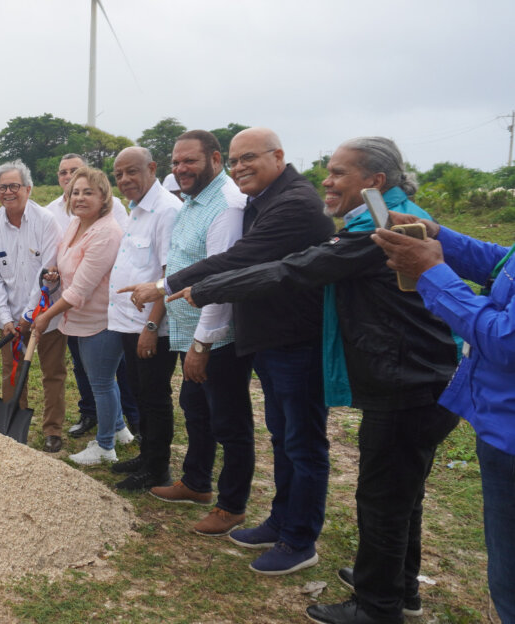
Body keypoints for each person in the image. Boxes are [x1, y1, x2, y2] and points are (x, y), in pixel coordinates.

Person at [172, 137, 459, 624]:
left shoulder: (382, 229)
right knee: (399, 494)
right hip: (416, 375)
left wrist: (201, 289)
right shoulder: (387, 217)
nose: (325, 181)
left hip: (406, 378)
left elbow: (293, 270)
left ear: (375, 182)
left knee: (383, 497)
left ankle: (377, 605)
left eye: (339, 173)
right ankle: (397, 586)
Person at [155, 128, 337, 575]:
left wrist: (168, 287)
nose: (240, 168)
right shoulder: (264, 199)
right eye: (236, 161)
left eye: (247, 158)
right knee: (283, 438)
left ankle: (299, 540)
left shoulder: (293, 203)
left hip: (297, 341)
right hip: (272, 341)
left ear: (278, 155)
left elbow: (240, 258)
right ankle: (280, 520)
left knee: (303, 443)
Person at [373, 213, 515, 622]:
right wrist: (438, 236)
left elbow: (504, 340)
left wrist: (432, 273)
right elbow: (502, 265)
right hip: (500, 424)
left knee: (509, 583)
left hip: (509, 436)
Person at [124, 130, 254, 538]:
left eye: (190, 162)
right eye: (177, 162)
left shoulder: (227, 207)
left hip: (216, 338)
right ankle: (196, 482)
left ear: (215, 158)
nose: (181, 169)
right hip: (186, 331)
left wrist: (203, 344)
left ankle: (231, 506)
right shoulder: (195, 201)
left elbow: (221, 278)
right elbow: (183, 263)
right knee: (195, 408)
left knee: (230, 422)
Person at [32, 167, 135, 464]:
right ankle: (118, 430)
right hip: (80, 320)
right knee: (102, 380)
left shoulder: (105, 232)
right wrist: (54, 275)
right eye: (75, 192)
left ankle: (104, 447)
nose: (79, 198)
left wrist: (45, 316)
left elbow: (80, 291)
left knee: (101, 384)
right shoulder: (77, 225)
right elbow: (69, 268)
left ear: (104, 197)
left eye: (88, 192)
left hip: (99, 322)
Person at [105, 147, 180, 491]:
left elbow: (169, 275)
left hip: (150, 327)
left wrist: (152, 326)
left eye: (131, 172)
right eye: (118, 174)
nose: (124, 180)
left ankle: (157, 467)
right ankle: (146, 455)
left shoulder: (166, 211)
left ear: (151, 168)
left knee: (154, 395)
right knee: (137, 390)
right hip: (127, 323)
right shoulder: (137, 210)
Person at [0, 161, 66, 452]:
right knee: (12, 372)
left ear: (28, 189)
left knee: (53, 373)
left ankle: (53, 429)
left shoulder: (46, 221)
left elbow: (46, 273)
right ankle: (13, 424)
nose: (8, 192)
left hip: (46, 317)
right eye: (2, 187)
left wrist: (29, 317)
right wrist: (5, 318)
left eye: (14, 186)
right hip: (9, 322)